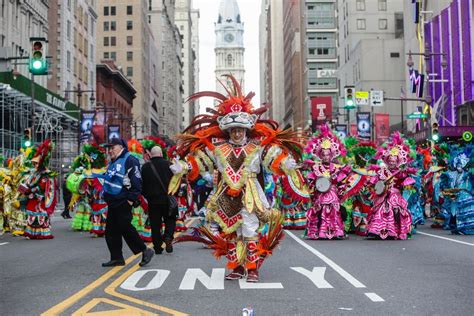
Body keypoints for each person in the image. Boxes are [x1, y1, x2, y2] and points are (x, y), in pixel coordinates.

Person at [170, 75, 309, 282]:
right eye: (233, 130)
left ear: (246, 130)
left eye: (240, 130)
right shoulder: (218, 147)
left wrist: (284, 164)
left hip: (250, 193)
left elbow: (271, 158)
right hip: (226, 194)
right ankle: (236, 266)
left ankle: (252, 268)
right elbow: (202, 161)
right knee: (231, 232)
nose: (236, 133)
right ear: (228, 131)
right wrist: (184, 166)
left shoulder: (257, 145)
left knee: (249, 229)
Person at [101, 138, 153, 267]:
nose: (110, 151)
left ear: (120, 147)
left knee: (126, 227)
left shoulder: (130, 159)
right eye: (109, 148)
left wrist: (131, 199)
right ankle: (117, 257)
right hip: (113, 200)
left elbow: (136, 180)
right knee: (111, 231)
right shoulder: (114, 161)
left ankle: (145, 250)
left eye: (112, 148)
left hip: (123, 200)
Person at [141, 146, 176, 254]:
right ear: (161, 154)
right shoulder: (169, 165)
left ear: (151, 155)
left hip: (153, 200)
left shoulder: (145, 167)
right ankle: (168, 237)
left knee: (155, 224)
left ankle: (157, 246)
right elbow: (175, 181)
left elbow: (142, 184)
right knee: (170, 220)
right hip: (167, 199)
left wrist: (146, 196)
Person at [20, 140, 58, 239]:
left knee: (39, 215)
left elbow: (43, 186)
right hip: (32, 199)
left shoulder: (46, 174)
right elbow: (29, 183)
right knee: (31, 215)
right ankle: (31, 233)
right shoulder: (33, 173)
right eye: (33, 163)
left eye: (36, 163)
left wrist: (32, 190)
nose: (34, 165)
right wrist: (25, 188)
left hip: (40, 199)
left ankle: (41, 233)